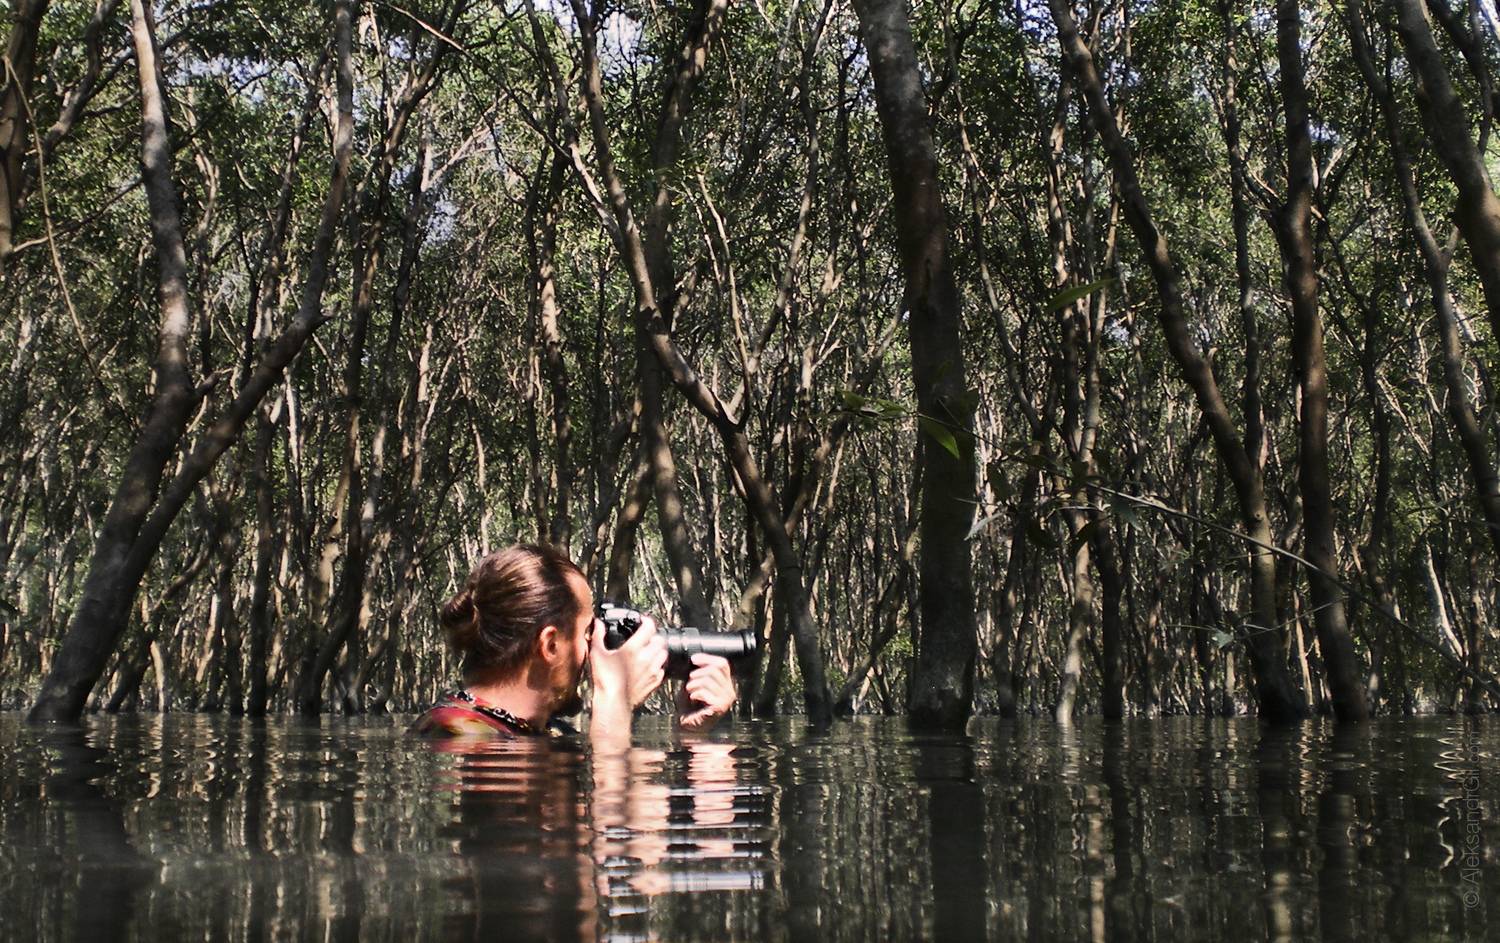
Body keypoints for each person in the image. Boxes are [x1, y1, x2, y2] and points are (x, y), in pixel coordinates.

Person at [410, 543, 737, 742]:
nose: (594, 650)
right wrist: (614, 702)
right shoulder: (456, 734)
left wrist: (692, 737)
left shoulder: (544, 732)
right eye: (586, 634)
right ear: (551, 645)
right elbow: (609, 830)